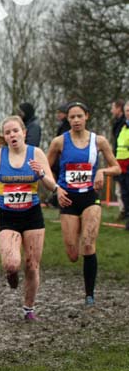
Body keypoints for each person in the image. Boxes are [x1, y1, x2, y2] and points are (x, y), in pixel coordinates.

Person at [0, 116, 58, 321]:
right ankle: (11, 274)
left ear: (24, 133)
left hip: (32, 215)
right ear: (5, 136)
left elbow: (50, 185)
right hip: (8, 216)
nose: (12, 135)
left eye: (15, 131)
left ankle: (28, 309)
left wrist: (42, 174)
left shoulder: (36, 153)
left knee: (31, 265)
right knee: (11, 264)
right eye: (8, 132)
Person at [46, 102, 121, 305]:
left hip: (89, 197)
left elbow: (117, 168)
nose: (76, 120)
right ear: (67, 119)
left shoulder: (99, 141)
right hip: (68, 198)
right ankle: (77, 236)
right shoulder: (59, 142)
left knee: (88, 244)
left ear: (87, 116)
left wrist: (101, 171)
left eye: (80, 116)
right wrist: (56, 189)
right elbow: (44, 168)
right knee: (72, 254)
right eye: (72, 117)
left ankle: (89, 295)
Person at [111, 100, 126, 219]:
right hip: (119, 159)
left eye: (113, 108)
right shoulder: (122, 125)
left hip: (125, 161)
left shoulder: (123, 125)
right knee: (120, 189)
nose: (111, 111)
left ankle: (124, 211)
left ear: (118, 108)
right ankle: (124, 211)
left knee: (122, 189)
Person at [116, 102, 129, 230]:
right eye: (126, 110)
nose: (127, 113)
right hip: (121, 165)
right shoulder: (123, 127)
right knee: (124, 193)